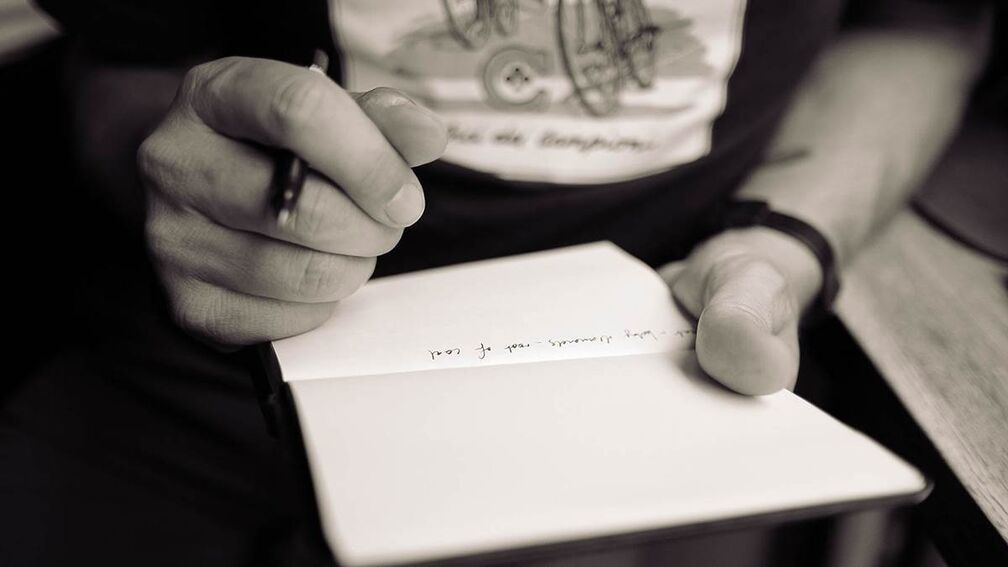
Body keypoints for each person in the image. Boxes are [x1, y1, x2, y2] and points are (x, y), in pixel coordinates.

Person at [0, 0, 990, 565]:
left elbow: (920, 22)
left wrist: (778, 246)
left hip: (656, 407)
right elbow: (126, 54)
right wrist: (175, 169)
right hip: (173, 392)